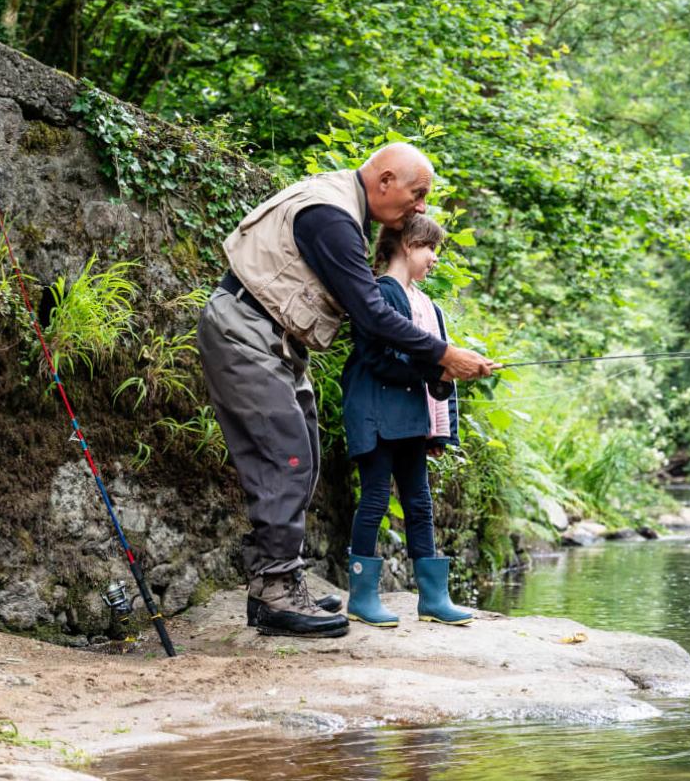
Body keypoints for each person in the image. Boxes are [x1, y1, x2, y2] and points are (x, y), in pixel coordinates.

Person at [196, 144, 498, 638]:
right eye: (417, 193)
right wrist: (444, 355)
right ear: (383, 181)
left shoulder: (342, 208)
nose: (421, 206)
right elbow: (373, 315)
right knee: (285, 456)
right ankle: (275, 590)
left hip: (274, 338)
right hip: (247, 330)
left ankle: (278, 581)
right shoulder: (331, 216)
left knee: (304, 454)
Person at [339, 214, 474, 627]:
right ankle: (362, 597)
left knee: (420, 504)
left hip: (411, 421)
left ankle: (433, 598)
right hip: (376, 415)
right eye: (430, 248)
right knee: (376, 499)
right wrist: (435, 370)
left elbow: (435, 363)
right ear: (407, 245)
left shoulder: (427, 305)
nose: (434, 258)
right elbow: (378, 358)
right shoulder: (381, 294)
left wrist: (439, 421)